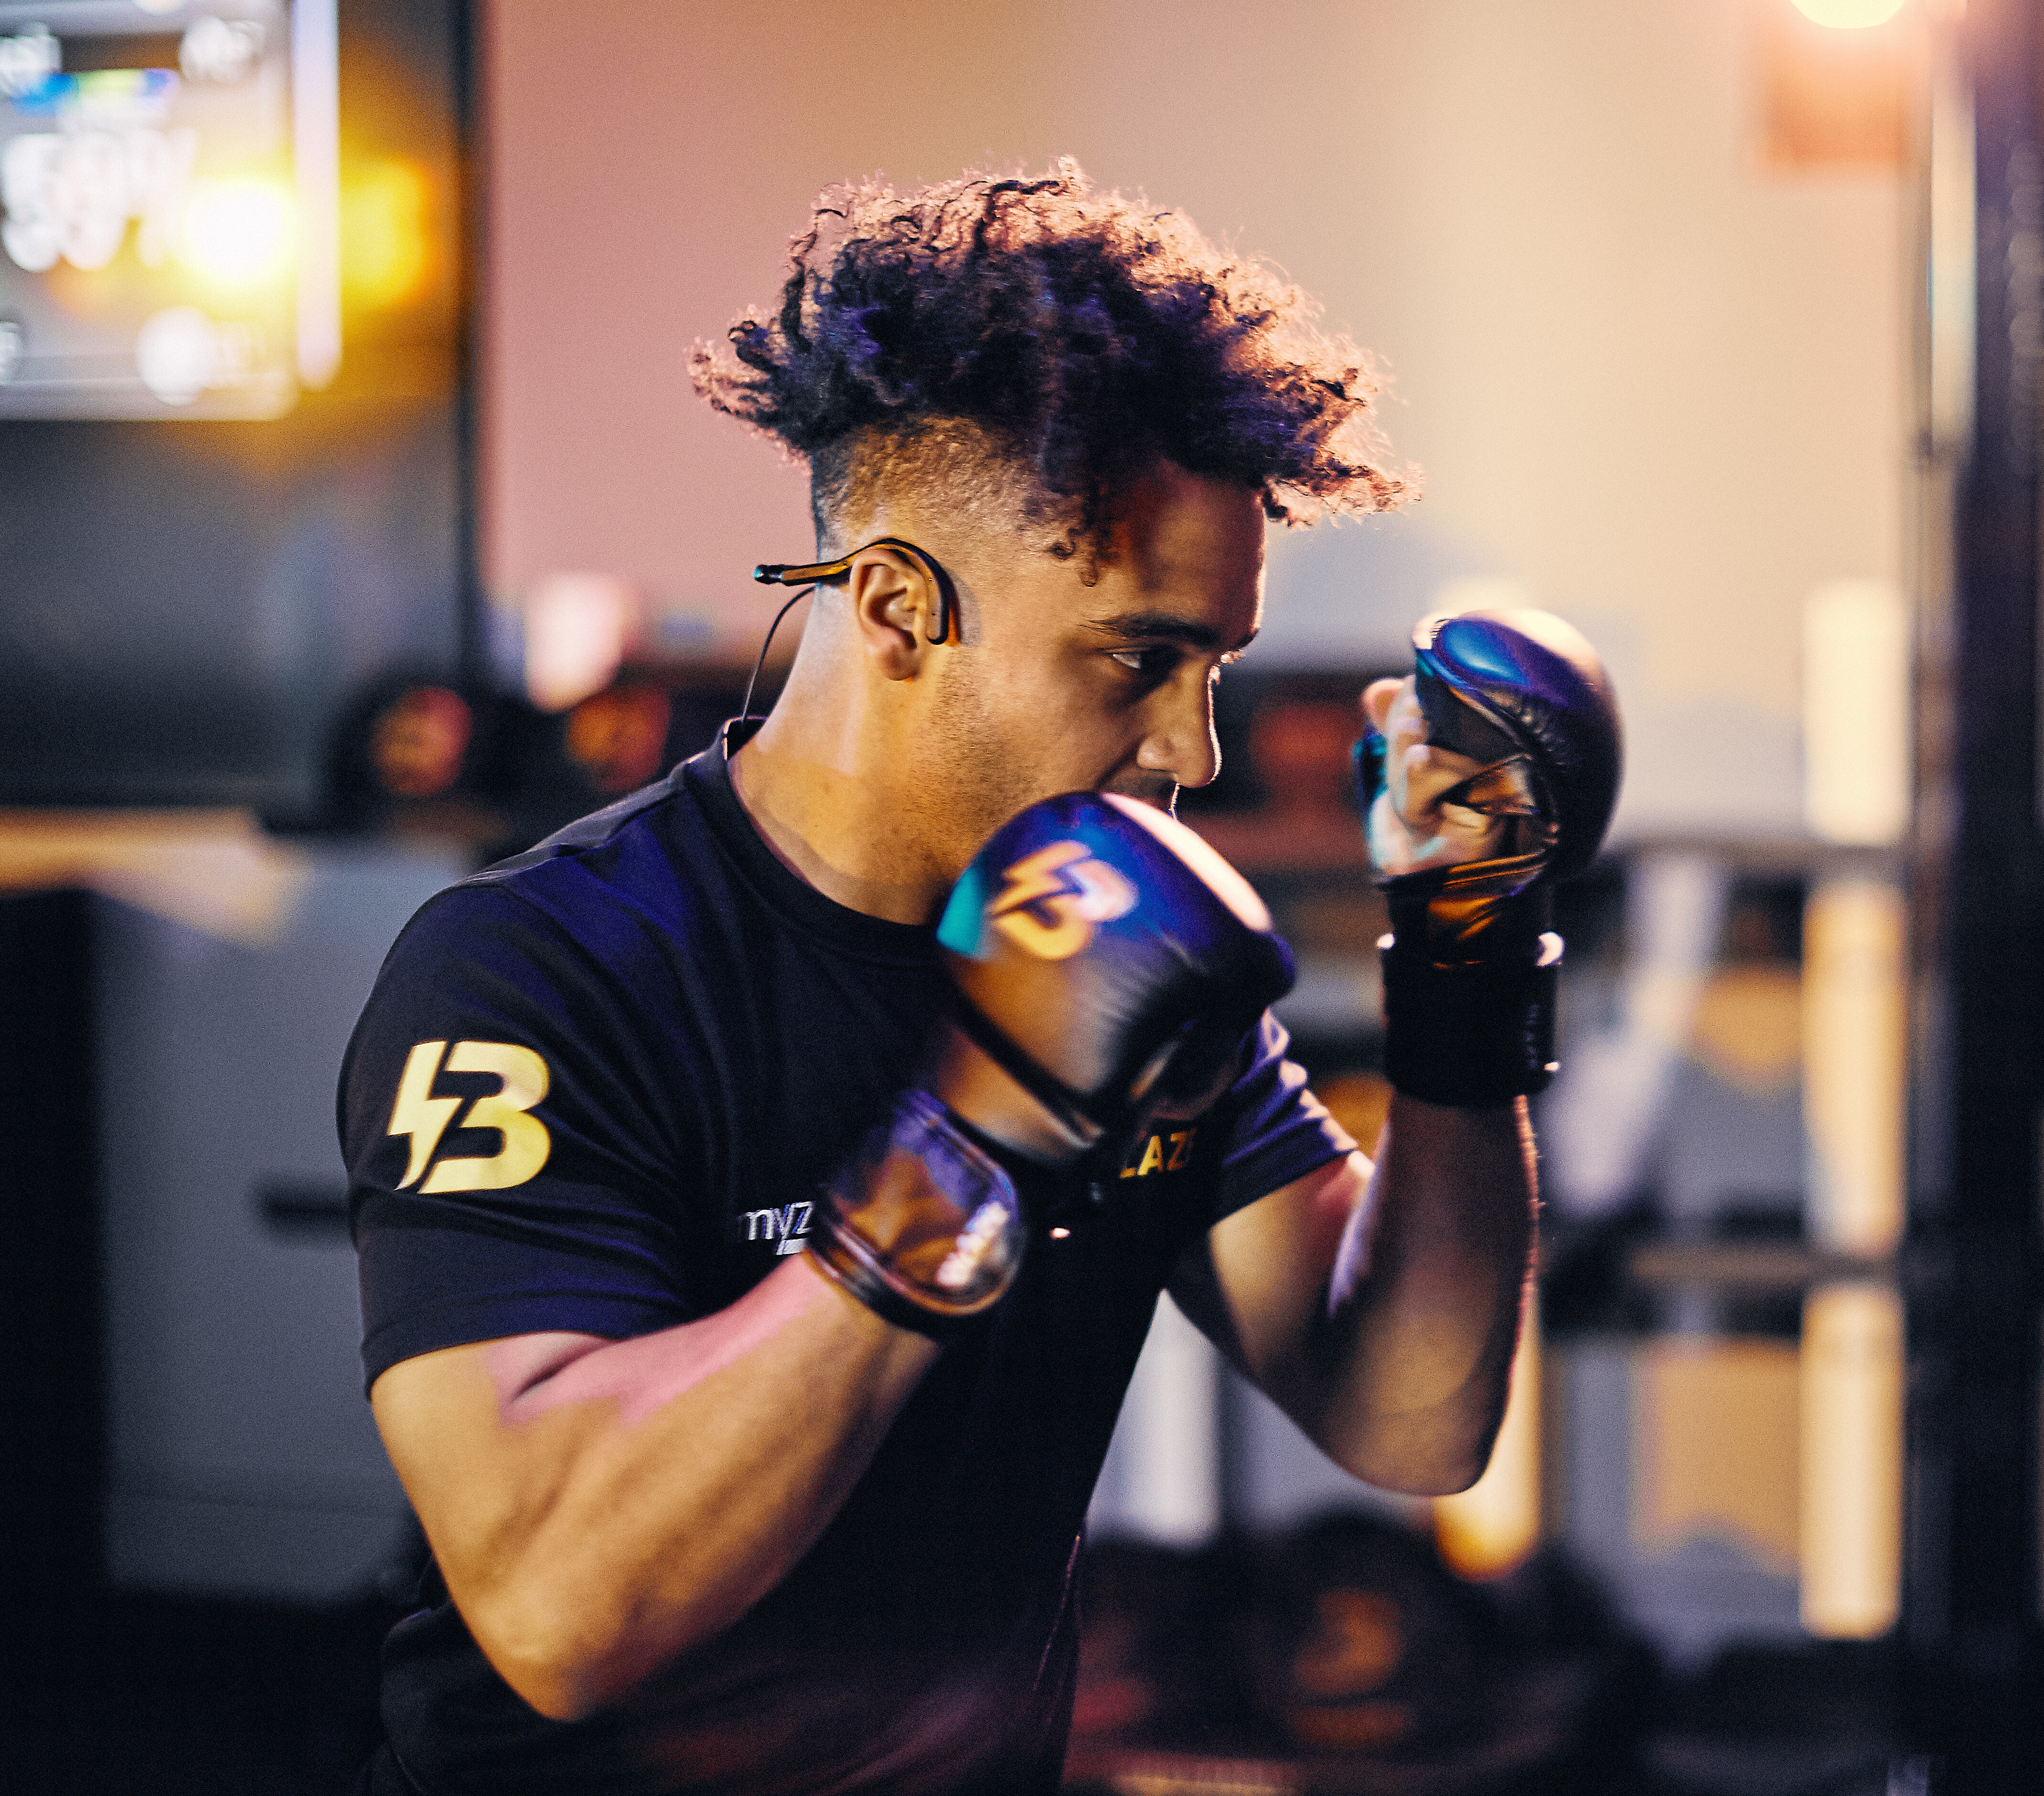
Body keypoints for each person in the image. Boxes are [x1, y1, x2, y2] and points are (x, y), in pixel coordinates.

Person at [337, 163, 1611, 1795]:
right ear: (896, 608)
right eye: (1140, 658)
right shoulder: (543, 969)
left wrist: (1464, 964)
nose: (1193, 748)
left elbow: (1410, 1416)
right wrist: (967, 1150)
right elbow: (561, 1613)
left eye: (1213, 665)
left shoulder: (1132, 963)